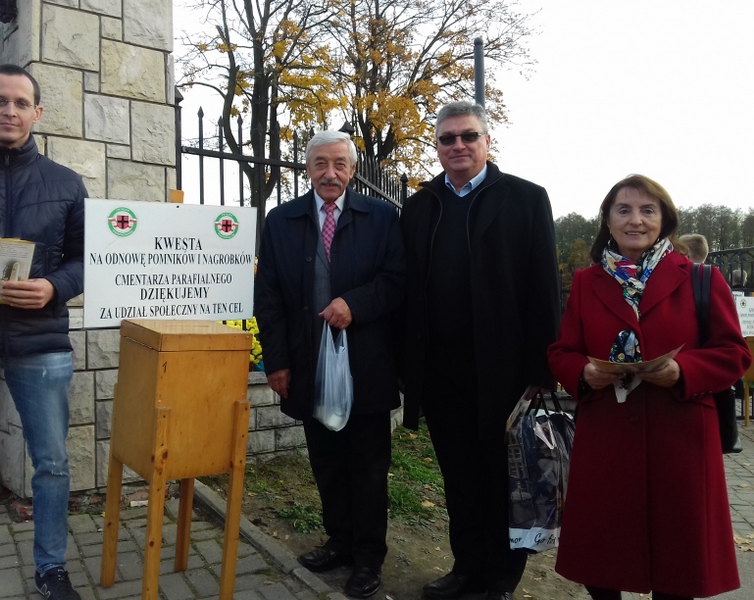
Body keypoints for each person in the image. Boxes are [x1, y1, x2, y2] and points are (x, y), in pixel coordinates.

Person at [548, 174, 751, 600]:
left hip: (681, 439)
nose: (635, 220)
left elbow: (734, 353)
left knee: (679, 564)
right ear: (608, 220)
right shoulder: (586, 282)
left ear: (664, 220)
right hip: (608, 437)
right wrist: (583, 372)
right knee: (602, 563)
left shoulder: (701, 278)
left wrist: (683, 371)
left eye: (647, 210)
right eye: (623, 210)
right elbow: (563, 351)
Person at [400, 101, 561, 600]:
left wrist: (541, 369)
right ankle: (466, 566)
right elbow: (408, 290)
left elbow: (543, 288)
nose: (458, 145)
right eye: (447, 138)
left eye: (468, 136)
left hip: (503, 372)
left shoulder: (525, 198)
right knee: (459, 477)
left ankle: (500, 578)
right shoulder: (421, 205)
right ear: (437, 147)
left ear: (487, 142)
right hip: (440, 371)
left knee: (502, 478)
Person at [254, 130, 405, 599]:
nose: (330, 173)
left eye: (339, 164)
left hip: (366, 364)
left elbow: (397, 280)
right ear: (307, 169)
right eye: (320, 163)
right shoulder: (282, 220)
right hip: (308, 365)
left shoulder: (382, 217)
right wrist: (276, 361)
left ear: (353, 170)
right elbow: (269, 296)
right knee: (326, 461)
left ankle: (368, 557)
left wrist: (355, 304)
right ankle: (339, 541)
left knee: (368, 465)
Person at [0, 64, 86, 600]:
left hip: (40, 343)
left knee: (52, 465)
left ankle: (51, 569)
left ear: (37, 113)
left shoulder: (66, 183)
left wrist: (54, 287)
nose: (9, 111)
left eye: (20, 103)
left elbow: (87, 259)